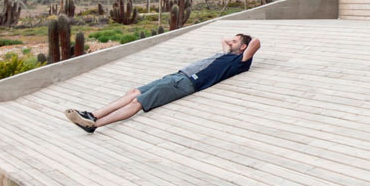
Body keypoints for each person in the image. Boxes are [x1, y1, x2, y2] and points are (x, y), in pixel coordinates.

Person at [66, 33, 260, 131]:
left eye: (236, 42)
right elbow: (224, 39)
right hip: (176, 76)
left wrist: (242, 47)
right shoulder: (225, 55)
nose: (230, 43)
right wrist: (231, 44)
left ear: (243, 47)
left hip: (185, 84)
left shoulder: (239, 62)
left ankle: (95, 125)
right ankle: (92, 114)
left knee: (138, 103)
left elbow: (255, 42)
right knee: (133, 92)